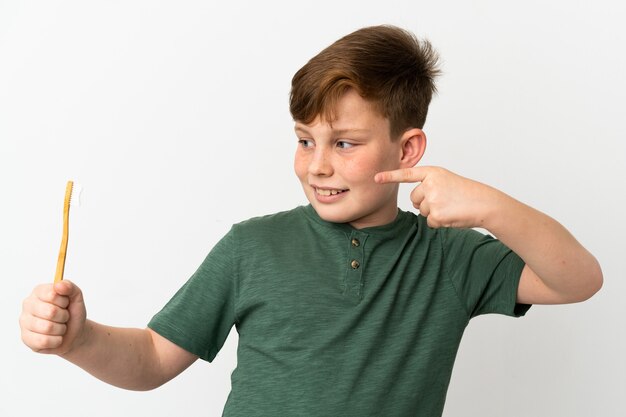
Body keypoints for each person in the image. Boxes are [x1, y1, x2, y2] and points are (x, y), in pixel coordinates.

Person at [19, 25, 602, 416]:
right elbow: (150, 359)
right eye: (304, 140)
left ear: (407, 151)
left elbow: (578, 279)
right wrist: (81, 340)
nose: (317, 165)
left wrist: (489, 206)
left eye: (345, 143)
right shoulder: (253, 247)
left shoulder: (450, 258)